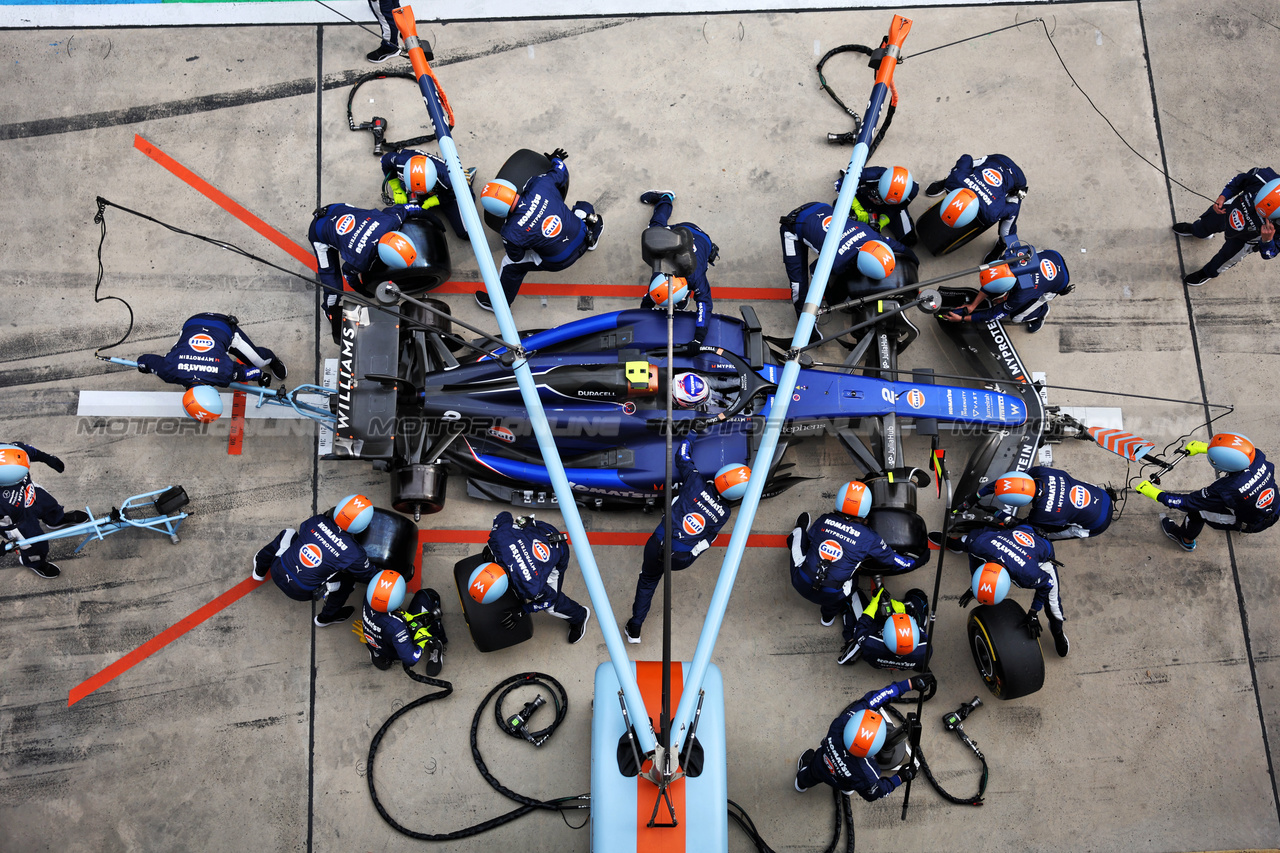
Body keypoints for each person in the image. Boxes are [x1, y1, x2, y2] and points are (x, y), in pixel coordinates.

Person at [623, 437, 749, 643]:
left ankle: (635, 628)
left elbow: (682, 455)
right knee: (702, 541)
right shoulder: (724, 513)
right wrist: (691, 554)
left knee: (647, 581)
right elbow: (707, 541)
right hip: (681, 559)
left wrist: (692, 434)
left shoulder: (695, 482)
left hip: (657, 544)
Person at [788, 481, 928, 663]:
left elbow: (813, 539)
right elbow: (897, 562)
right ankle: (827, 618)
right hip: (831, 595)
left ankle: (798, 528)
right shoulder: (869, 538)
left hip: (800, 582)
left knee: (799, 537)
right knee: (848, 585)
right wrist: (921, 559)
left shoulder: (823, 520)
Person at [477, 149, 603, 311]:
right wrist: (555, 159)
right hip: (583, 235)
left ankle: (499, 304)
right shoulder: (540, 184)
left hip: (559, 260)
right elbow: (561, 171)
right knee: (584, 207)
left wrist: (532, 234)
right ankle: (592, 240)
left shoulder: (510, 232)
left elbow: (517, 255)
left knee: (510, 264)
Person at [793, 674, 933, 800]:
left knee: (809, 774)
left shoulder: (840, 724)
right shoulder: (867, 774)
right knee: (850, 783)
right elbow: (875, 793)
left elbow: (874, 699)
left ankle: (801, 783)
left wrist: (907, 684)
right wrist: (900, 778)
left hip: (821, 765)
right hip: (848, 780)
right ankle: (847, 789)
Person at [308, 201, 427, 343]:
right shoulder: (362, 260)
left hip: (336, 207)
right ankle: (328, 309)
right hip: (319, 230)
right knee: (332, 282)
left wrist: (436, 222)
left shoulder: (391, 220)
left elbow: (409, 208)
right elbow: (347, 273)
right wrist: (364, 292)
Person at [251, 495, 378, 627]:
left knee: (288, 533)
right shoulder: (355, 553)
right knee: (348, 583)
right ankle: (326, 618)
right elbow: (368, 576)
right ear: (363, 526)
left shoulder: (317, 520)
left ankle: (260, 568)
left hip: (276, 570)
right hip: (302, 592)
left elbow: (303, 531)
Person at [1137, 432, 1278, 549]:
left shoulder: (1226, 488)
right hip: (1274, 508)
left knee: (1197, 511)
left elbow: (1186, 502)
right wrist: (1206, 448)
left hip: (1253, 523)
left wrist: (1155, 493)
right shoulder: (1257, 456)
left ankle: (1185, 539)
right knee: (1238, 500)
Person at [779, 201, 918, 319]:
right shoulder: (837, 262)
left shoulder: (873, 237)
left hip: (821, 207)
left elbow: (900, 248)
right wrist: (831, 301)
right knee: (798, 284)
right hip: (794, 224)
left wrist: (915, 262)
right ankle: (805, 324)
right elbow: (814, 270)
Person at [469, 511, 591, 644]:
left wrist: (523, 610)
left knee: (553, 606)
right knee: (512, 532)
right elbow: (503, 515)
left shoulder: (532, 587)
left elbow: (550, 599)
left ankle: (580, 616)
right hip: (542, 529)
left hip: (558, 550)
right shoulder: (498, 538)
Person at [955, 523, 1069, 657]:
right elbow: (974, 556)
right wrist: (975, 584)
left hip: (1041, 545)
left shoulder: (1028, 575)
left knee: (1053, 605)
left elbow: (1047, 585)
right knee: (967, 539)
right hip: (1020, 529)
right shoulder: (978, 545)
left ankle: (1058, 632)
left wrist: (1033, 612)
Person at [638, 190, 717, 350]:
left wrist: (698, 339)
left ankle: (666, 198)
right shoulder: (660, 267)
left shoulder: (696, 277)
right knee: (654, 228)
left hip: (702, 238)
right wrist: (642, 313)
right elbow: (649, 298)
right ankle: (665, 199)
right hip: (677, 232)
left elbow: (705, 306)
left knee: (655, 228)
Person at [938, 239, 1072, 333]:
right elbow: (992, 280)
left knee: (1016, 317)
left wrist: (962, 318)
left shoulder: (1023, 293)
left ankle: (1042, 311)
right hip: (1052, 255)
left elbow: (995, 314)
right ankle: (1008, 296)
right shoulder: (1008, 259)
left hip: (1058, 282)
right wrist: (973, 305)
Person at [1174, 167, 1280, 285]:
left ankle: (1207, 273)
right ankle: (1196, 231)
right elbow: (1239, 181)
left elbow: (1270, 254)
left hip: (1244, 240)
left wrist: (1267, 241)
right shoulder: (1264, 176)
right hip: (1228, 211)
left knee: (1224, 259)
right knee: (1206, 223)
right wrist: (1223, 196)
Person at [0, 444, 89, 579]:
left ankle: (57, 520)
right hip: (18, 523)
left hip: (32, 493)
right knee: (35, 546)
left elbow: (27, 450)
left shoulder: (8, 450)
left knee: (51, 506)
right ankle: (35, 562)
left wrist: (47, 458)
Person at [136, 313, 287, 390]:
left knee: (259, 361)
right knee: (174, 353)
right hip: (192, 323)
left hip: (223, 327)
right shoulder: (167, 371)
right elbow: (144, 360)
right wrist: (143, 366)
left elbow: (249, 372)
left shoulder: (223, 374)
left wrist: (262, 376)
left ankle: (272, 360)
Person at [924, 153, 1028, 261]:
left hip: (1015, 177)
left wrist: (1015, 197)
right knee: (955, 176)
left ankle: (1002, 243)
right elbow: (966, 158)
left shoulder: (991, 213)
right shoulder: (955, 181)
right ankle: (946, 181)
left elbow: (1013, 209)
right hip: (997, 160)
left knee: (1006, 232)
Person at [966, 467, 1116, 540]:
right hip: (1102, 495)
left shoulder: (1043, 512)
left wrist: (997, 513)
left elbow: (1021, 526)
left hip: (1098, 524)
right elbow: (1009, 482)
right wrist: (979, 494)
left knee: (1043, 536)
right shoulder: (1042, 473)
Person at [359, 570, 447, 675]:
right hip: (398, 650)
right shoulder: (397, 627)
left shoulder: (369, 597)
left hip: (378, 643)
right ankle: (435, 642)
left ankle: (378, 653)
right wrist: (421, 640)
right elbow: (411, 659)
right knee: (428, 595)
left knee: (379, 635)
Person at [379, 149, 476, 240]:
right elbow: (385, 160)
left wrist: (433, 201)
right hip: (415, 180)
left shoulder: (448, 179)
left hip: (448, 190)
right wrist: (397, 189)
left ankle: (467, 178)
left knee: (465, 232)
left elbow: (452, 193)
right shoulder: (400, 162)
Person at [839, 586, 929, 670]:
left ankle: (850, 641)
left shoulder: (871, 643)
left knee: (851, 591)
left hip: (876, 651)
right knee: (917, 595)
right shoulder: (924, 649)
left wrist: (874, 603)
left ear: (884, 633)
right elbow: (920, 631)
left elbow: (861, 627)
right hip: (910, 660)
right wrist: (905, 613)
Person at [834, 165, 919, 245]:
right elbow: (840, 184)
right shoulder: (870, 175)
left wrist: (881, 222)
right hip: (864, 200)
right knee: (839, 218)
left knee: (909, 239)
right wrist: (857, 208)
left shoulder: (912, 191)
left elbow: (897, 208)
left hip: (890, 208)